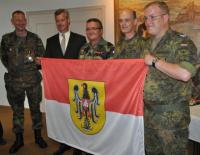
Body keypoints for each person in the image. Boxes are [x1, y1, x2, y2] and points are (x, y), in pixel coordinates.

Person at [142, 1, 198, 155]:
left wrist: (154, 61)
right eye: (146, 18)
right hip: (148, 117)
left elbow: (185, 74)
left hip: (171, 120)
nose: (148, 22)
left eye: (152, 17)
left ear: (166, 18)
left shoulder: (181, 42)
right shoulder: (146, 44)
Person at [0, 10, 47, 153]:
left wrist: (35, 65)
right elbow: (4, 58)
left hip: (32, 81)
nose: (20, 22)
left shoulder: (35, 38)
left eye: (22, 19)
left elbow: (42, 58)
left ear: (26, 20)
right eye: (17, 20)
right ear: (12, 22)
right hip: (14, 83)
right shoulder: (6, 39)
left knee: (35, 110)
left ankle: (38, 137)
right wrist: (15, 70)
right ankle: (19, 140)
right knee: (17, 111)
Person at [44, 9, 86, 155]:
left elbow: (83, 65)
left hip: (75, 86)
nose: (60, 23)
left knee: (76, 115)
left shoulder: (80, 39)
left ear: (68, 21)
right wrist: (40, 62)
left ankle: (78, 147)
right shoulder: (50, 41)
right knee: (62, 115)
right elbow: (47, 61)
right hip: (58, 87)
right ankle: (64, 143)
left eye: (62, 20)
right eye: (57, 21)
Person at [79, 18, 114, 155]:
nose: (90, 31)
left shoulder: (109, 48)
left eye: (94, 28)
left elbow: (112, 74)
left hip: (101, 95)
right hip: (85, 94)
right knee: (87, 122)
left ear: (101, 31)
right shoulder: (83, 48)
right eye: (88, 29)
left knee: (101, 125)